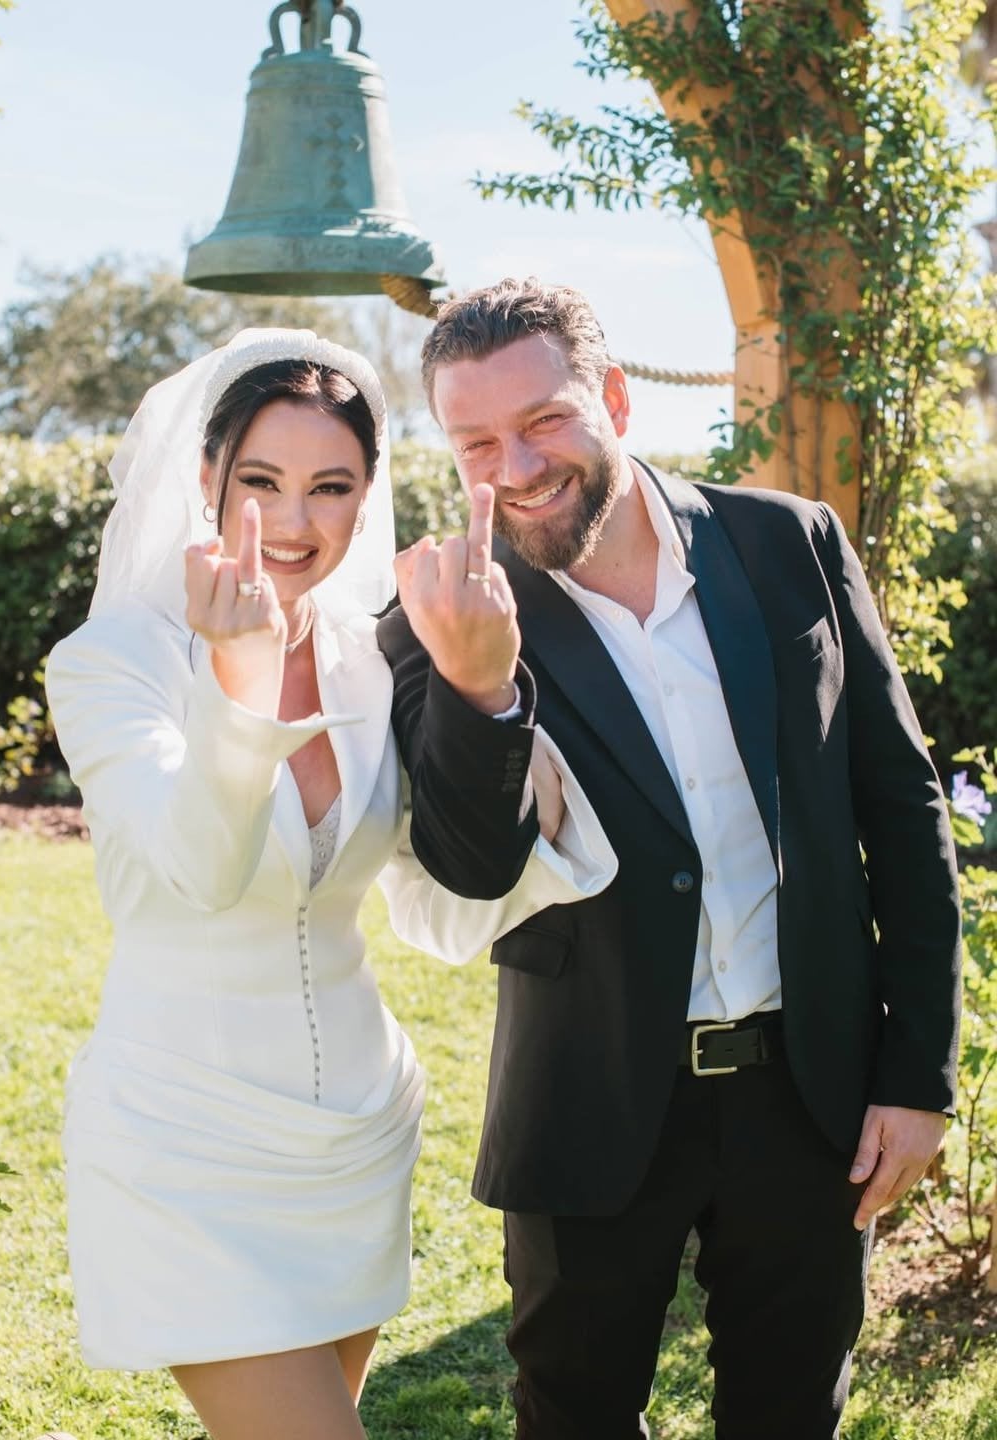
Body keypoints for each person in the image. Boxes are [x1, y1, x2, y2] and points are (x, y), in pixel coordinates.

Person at [377, 279, 963, 1440]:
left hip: (812, 1098)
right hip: (586, 1103)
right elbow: (471, 869)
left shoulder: (789, 543)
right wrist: (481, 690)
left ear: (617, 400)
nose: (516, 468)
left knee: (792, 1413)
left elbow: (902, 810)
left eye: (544, 420)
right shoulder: (433, 621)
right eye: (476, 442)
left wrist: (918, 1075)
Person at [44, 327, 616, 1440]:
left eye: (330, 486)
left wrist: (511, 740)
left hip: (357, 1138)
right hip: (186, 1139)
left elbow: (432, 906)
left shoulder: (372, 658)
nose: (294, 521)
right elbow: (202, 869)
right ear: (207, 478)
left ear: (368, 496)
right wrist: (242, 681)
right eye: (261, 482)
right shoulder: (111, 663)